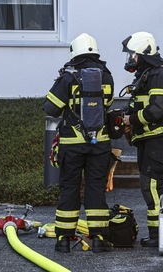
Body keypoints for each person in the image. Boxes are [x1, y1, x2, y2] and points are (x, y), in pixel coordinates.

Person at [43, 33, 116, 253]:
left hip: (72, 146)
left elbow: (50, 108)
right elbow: (109, 105)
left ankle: (63, 240)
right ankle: (100, 239)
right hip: (100, 145)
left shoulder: (68, 77)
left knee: (69, 189)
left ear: (75, 51)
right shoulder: (107, 76)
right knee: (95, 190)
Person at [120, 31, 163, 248]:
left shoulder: (158, 75)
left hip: (159, 138)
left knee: (151, 183)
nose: (131, 59)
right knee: (157, 184)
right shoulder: (147, 74)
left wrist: (132, 119)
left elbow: (158, 109)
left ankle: (159, 234)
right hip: (150, 138)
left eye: (133, 55)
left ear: (144, 53)